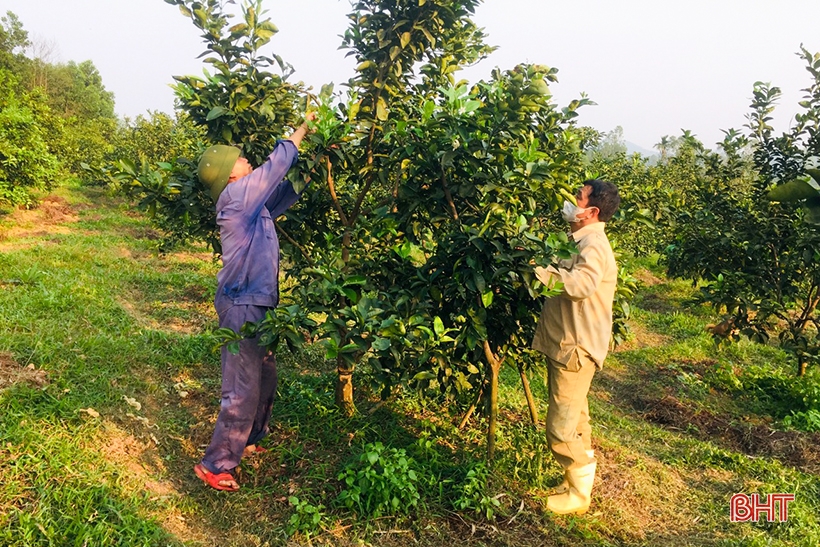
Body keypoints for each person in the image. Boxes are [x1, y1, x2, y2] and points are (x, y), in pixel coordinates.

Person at [193, 114, 314, 491]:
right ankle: (216, 463)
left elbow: (285, 187)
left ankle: (249, 440)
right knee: (241, 386)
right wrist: (300, 132)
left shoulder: (254, 206)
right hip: (241, 302)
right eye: (242, 160)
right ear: (230, 174)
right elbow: (274, 168)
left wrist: (316, 158)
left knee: (264, 376)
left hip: (259, 301)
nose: (248, 161)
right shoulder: (234, 198)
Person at [531, 179, 620, 515]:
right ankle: (576, 482)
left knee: (561, 426)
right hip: (570, 343)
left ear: (591, 211)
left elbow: (581, 285)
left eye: (577, 198)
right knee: (577, 418)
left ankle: (580, 497)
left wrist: (539, 273)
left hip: (576, 347)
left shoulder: (593, 244)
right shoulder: (580, 240)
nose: (570, 202)